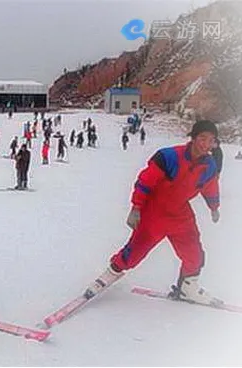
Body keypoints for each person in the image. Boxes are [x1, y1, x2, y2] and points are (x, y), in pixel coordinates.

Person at [83, 120, 222, 306]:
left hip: (181, 214)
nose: (206, 144)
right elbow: (145, 181)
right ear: (193, 137)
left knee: (194, 253)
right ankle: (109, 275)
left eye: (211, 140)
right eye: (202, 138)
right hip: (154, 213)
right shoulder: (169, 156)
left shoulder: (210, 165)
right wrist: (136, 207)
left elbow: (210, 187)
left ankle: (188, 286)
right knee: (135, 252)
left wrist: (214, 207)